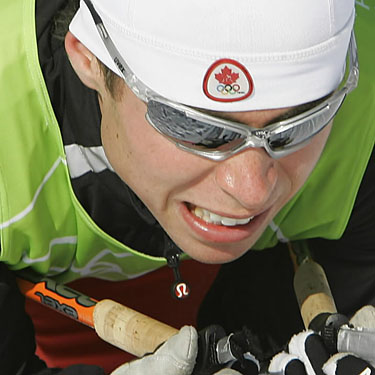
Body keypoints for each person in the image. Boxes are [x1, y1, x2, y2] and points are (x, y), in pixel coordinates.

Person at [0, 0, 374, 374]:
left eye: (301, 121)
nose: (251, 190)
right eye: (198, 128)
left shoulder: (366, 109)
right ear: (88, 57)